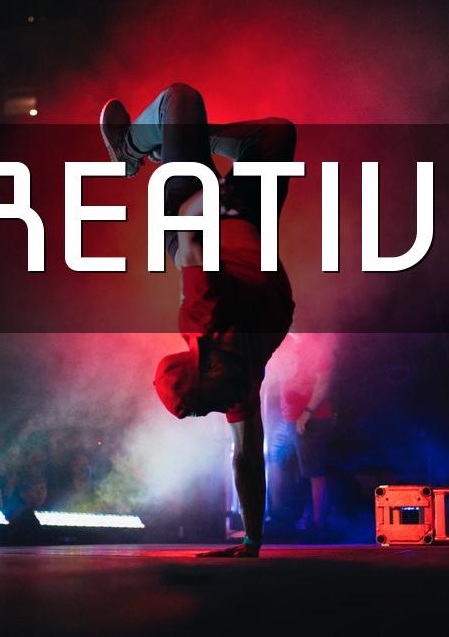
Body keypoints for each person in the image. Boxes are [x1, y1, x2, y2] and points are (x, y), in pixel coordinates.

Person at [100, 82, 296, 557]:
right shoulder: (239, 385)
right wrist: (251, 539)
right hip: (248, 220)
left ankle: (128, 151)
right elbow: (246, 457)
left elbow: (189, 239)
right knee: (275, 135)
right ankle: (173, 138)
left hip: (191, 218)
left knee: (180, 101)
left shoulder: (205, 320)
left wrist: (208, 193)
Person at [266, 332, 336, 538]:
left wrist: (307, 413)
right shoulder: (285, 345)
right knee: (278, 461)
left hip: (312, 418)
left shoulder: (318, 346)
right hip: (288, 418)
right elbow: (277, 375)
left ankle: (317, 524)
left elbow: (324, 381)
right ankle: (283, 518)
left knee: (313, 471)